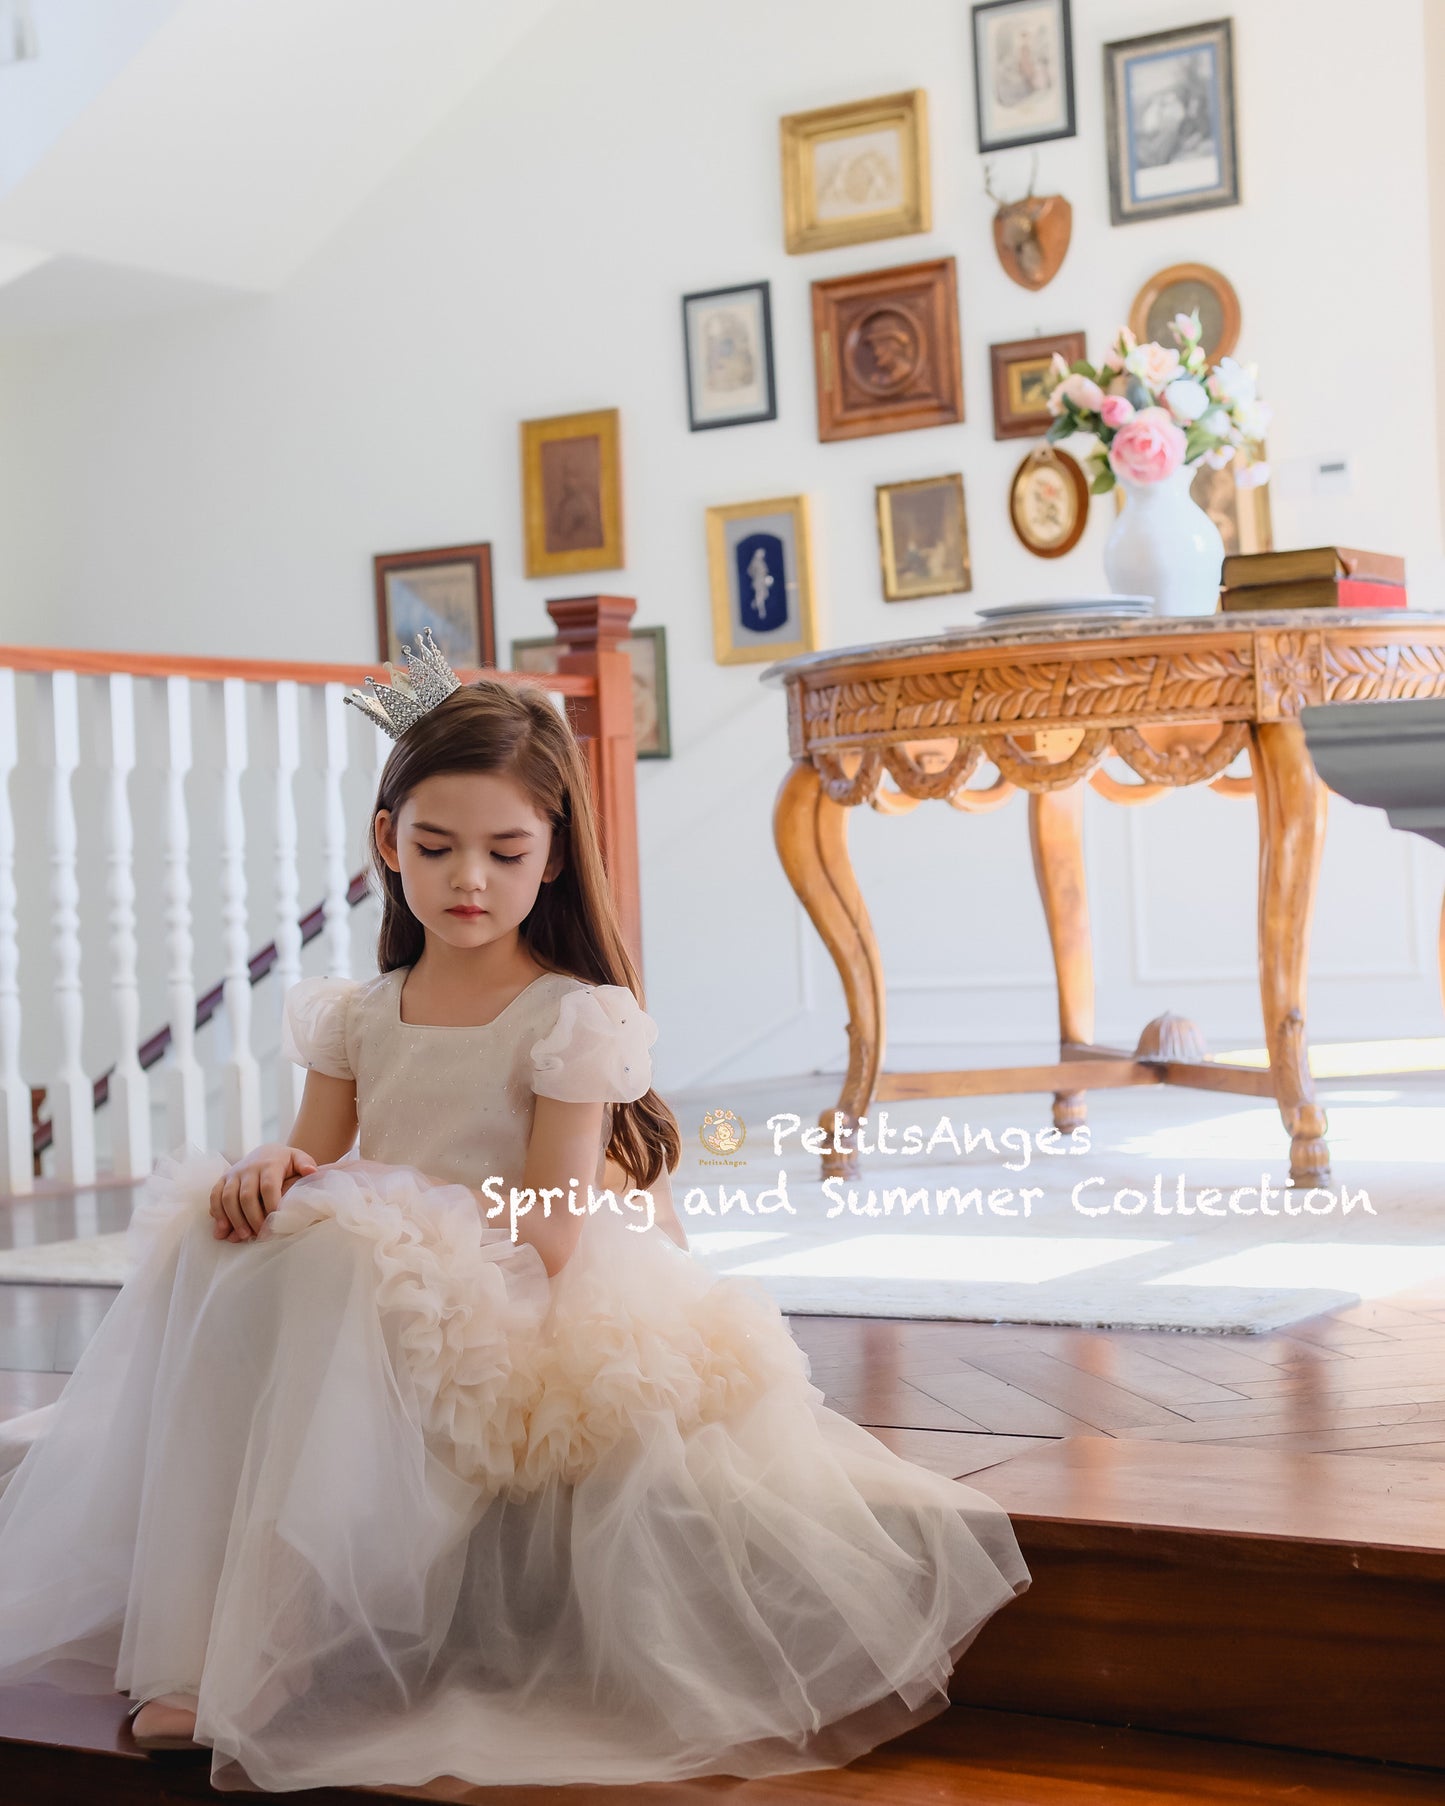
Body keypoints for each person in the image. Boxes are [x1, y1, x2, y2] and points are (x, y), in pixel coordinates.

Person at [0, 633, 1030, 1793]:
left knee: (335, 1262)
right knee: (223, 1237)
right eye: (434, 848)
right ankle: (191, 1641)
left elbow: (551, 1221)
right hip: (383, 1275)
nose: (467, 880)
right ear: (389, 842)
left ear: (551, 860)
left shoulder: (567, 1017)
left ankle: (275, 1647)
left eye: (503, 851)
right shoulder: (359, 1012)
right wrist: (269, 1170)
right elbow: (318, 1152)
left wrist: (373, 1212)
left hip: (507, 1290)